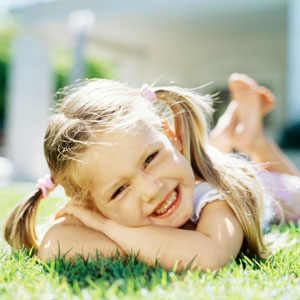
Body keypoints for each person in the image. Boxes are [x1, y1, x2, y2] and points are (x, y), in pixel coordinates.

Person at [4, 73, 300, 271]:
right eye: (119, 190)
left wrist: (108, 228)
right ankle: (230, 137)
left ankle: (254, 142)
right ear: (91, 204)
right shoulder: (161, 180)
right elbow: (57, 246)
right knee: (209, 155)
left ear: (171, 135)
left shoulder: (216, 195)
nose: (150, 189)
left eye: (150, 158)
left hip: (264, 188)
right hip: (197, 163)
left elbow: (210, 257)